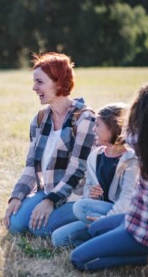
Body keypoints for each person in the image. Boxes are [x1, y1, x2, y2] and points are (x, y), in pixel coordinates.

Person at [3, 52, 96, 236]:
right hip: (47, 190)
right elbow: (31, 166)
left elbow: (78, 169)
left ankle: (87, 220)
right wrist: (17, 196)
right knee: (15, 224)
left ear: (59, 82)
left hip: (75, 196)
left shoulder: (84, 119)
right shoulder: (39, 119)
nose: (33, 88)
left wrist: (50, 201)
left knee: (41, 229)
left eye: (39, 82)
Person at [71, 84, 148, 271]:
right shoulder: (137, 145)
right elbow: (127, 133)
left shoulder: (133, 154)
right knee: (94, 228)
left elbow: (126, 133)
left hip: (140, 233)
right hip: (131, 219)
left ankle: (141, 256)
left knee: (80, 259)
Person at [51, 103, 138, 247]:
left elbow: (126, 201)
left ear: (114, 127)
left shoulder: (131, 161)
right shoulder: (95, 156)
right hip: (98, 213)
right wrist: (91, 195)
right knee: (58, 238)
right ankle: (106, 240)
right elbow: (88, 191)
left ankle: (111, 235)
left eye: (97, 125)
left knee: (80, 207)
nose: (93, 129)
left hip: (120, 216)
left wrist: (104, 222)